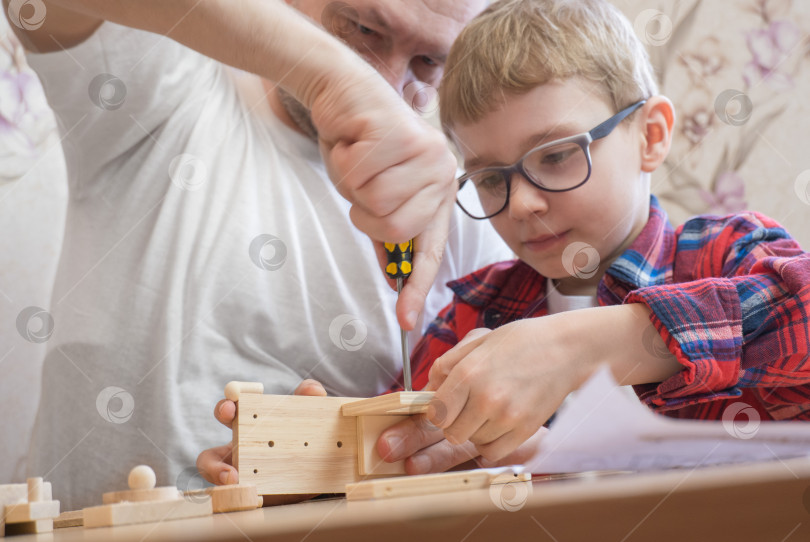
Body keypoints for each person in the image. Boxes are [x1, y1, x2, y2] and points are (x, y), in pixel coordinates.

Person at [7, 0, 511, 509]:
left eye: (429, 62)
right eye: (364, 29)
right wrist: (330, 77)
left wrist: (359, 453)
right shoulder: (170, 80)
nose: (387, 80)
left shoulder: (458, 204)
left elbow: (514, 423)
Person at [370, 0, 810, 472]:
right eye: (492, 180)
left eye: (556, 155)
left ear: (651, 136)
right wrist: (321, 428)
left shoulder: (724, 252)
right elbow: (387, 436)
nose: (521, 205)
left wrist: (581, 344)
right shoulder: (473, 313)